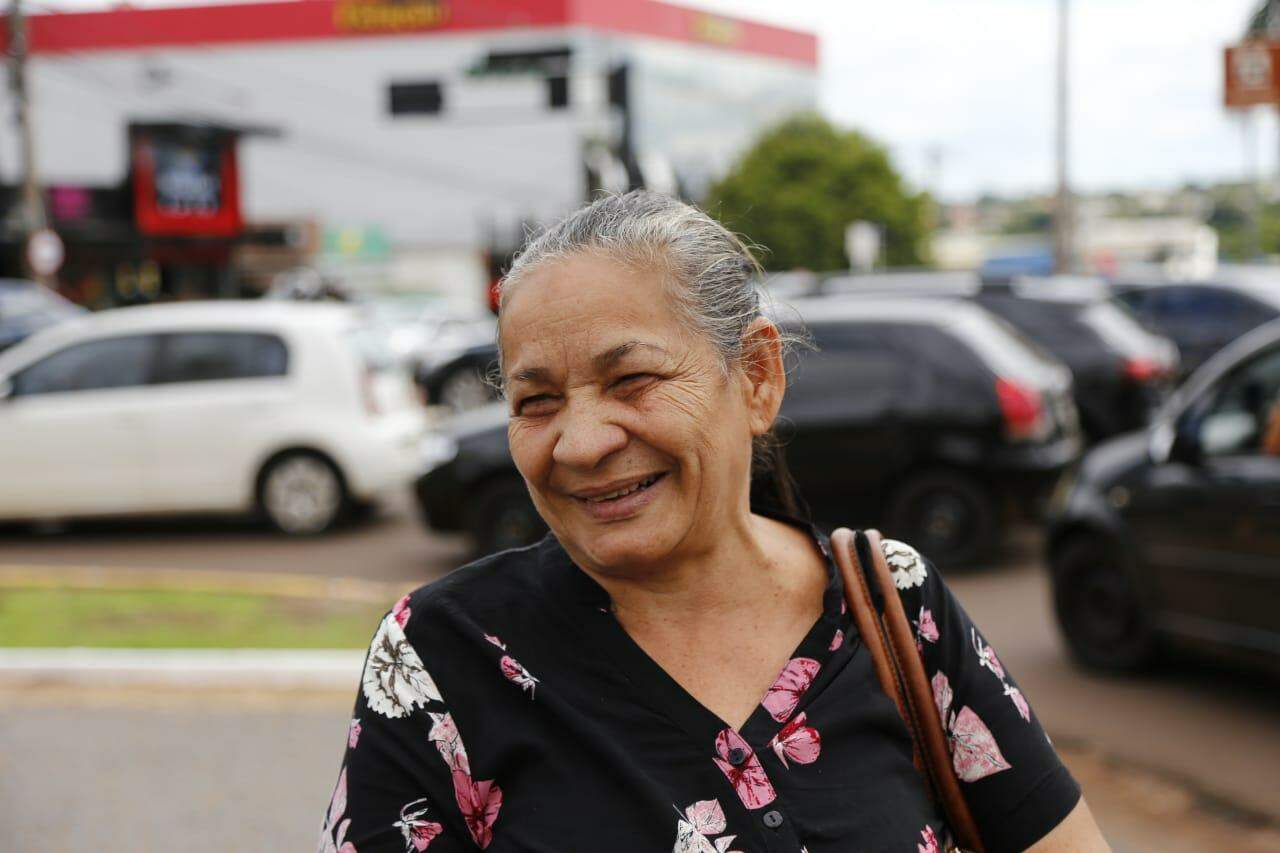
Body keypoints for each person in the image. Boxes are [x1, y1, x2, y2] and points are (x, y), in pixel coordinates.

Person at [319, 191, 1110, 853]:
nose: (582, 441)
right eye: (537, 401)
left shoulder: (892, 602)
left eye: (632, 379)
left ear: (758, 378)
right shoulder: (441, 656)